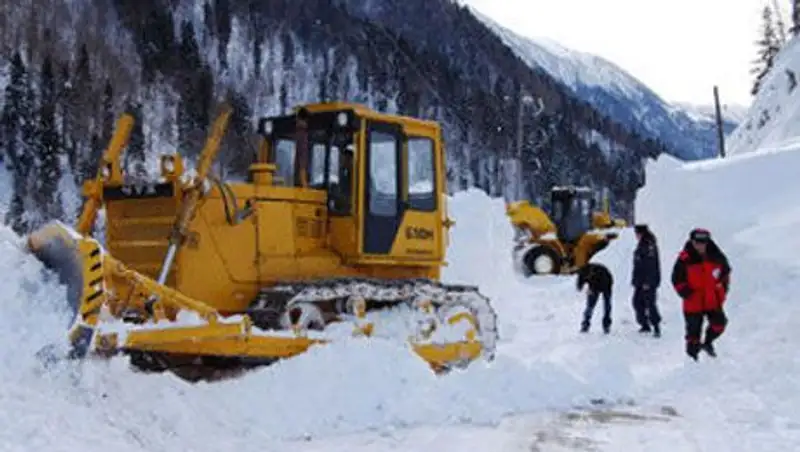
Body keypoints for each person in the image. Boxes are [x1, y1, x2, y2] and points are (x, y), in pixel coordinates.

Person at [670, 228, 731, 360]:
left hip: (712, 300)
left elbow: (725, 273)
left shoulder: (717, 256)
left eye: (703, 242)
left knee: (720, 324)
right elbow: (676, 278)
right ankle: (693, 362)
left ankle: (708, 343)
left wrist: (722, 291)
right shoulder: (685, 258)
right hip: (693, 303)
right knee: (693, 336)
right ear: (692, 241)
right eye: (697, 242)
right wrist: (686, 293)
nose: (701, 245)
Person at [631, 224, 662, 337]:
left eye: (637, 234)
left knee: (650, 303)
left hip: (648, 281)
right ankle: (644, 324)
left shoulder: (649, 245)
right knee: (637, 302)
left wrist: (648, 282)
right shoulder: (642, 244)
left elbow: (651, 265)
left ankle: (656, 326)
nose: (636, 236)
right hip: (640, 281)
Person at [576, 262, 614, 334]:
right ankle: (585, 324)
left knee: (607, 305)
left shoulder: (600, 272)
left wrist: (592, 289)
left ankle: (606, 325)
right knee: (589, 306)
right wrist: (581, 287)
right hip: (594, 285)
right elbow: (579, 285)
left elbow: (604, 283)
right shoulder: (582, 273)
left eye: (588, 277)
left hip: (607, 284)